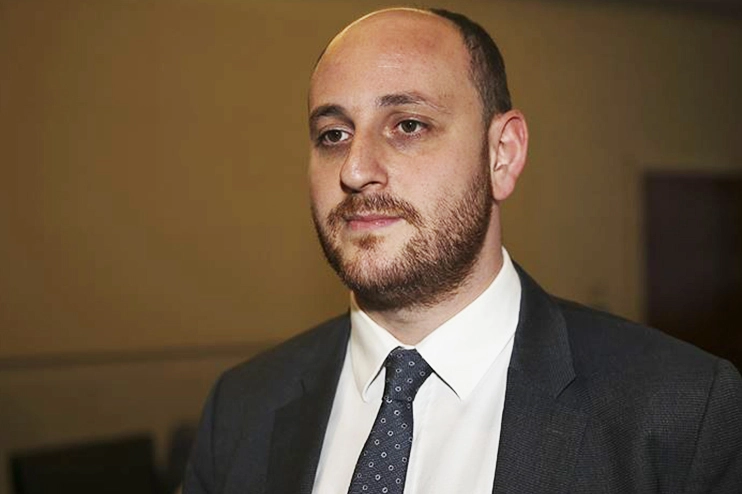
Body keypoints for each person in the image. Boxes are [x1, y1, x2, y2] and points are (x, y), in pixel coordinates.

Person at [184, 7, 742, 494]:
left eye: (408, 125)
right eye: (333, 134)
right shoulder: (239, 409)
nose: (354, 169)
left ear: (502, 155)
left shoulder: (683, 411)